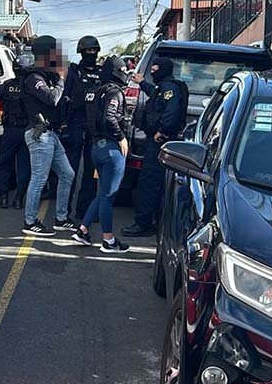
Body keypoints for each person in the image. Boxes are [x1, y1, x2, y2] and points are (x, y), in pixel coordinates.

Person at [71, 57, 132, 254]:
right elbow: (109, 117)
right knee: (108, 196)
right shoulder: (114, 92)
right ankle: (108, 240)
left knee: (101, 194)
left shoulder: (95, 91)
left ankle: (83, 230)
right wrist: (121, 137)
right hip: (112, 149)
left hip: (96, 147)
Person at [122, 57, 187, 237]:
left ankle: (143, 224)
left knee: (149, 182)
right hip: (155, 141)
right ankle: (150, 222)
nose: (153, 72)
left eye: (156, 69)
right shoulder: (161, 88)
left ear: (164, 70)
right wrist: (142, 83)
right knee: (152, 183)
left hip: (159, 142)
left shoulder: (169, 88)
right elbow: (154, 92)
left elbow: (171, 111)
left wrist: (163, 131)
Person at [20, 35, 76, 236]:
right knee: (39, 178)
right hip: (39, 134)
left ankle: (61, 218)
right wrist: (61, 79)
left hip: (50, 134)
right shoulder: (34, 78)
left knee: (67, 174)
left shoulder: (45, 76)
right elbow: (51, 99)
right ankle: (30, 221)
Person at [62, 35, 103, 217]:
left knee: (91, 172)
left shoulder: (103, 73)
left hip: (94, 127)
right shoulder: (73, 72)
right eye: (88, 51)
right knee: (69, 171)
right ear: (81, 52)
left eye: (94, 51)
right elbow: (63, 96)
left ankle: (85, 211)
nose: (91, 54)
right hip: (75, 124)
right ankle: (64, 211)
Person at [0, 53, 33, 209]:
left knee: (3, 164)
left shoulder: (7, 86)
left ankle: (4, 198)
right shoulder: (33, 86)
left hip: (9, 131)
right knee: (24, 166)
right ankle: (19, 199)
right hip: (27, 132)